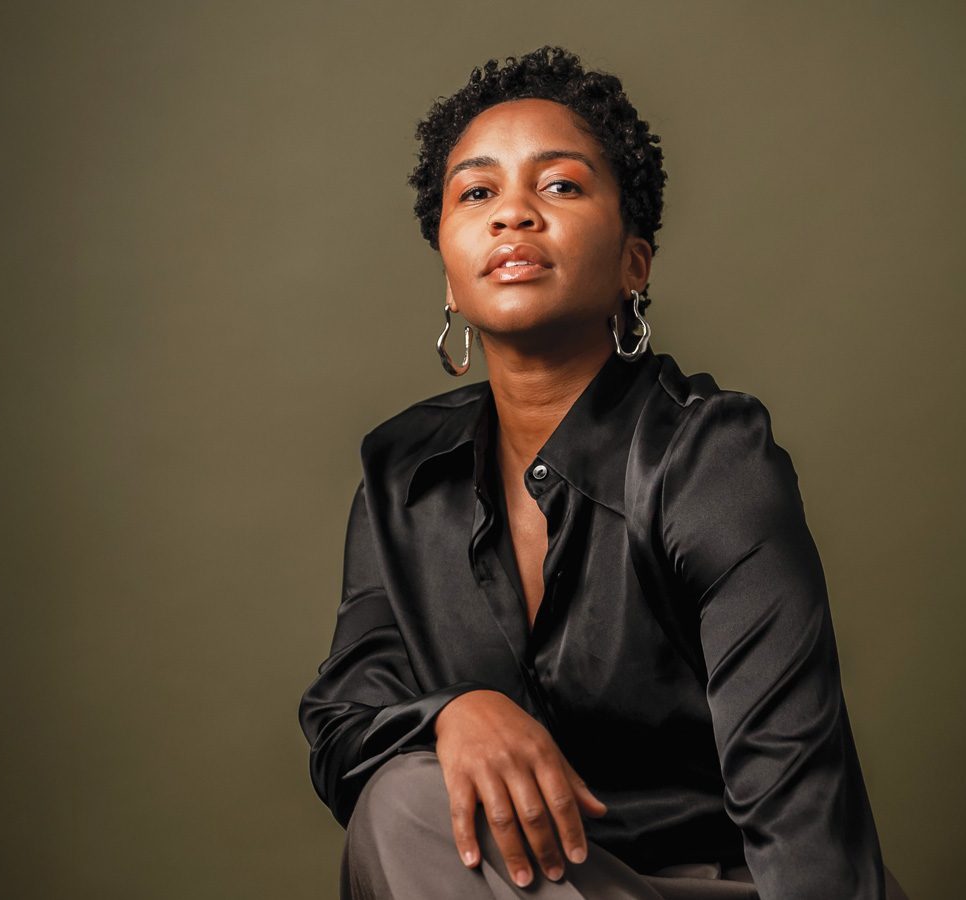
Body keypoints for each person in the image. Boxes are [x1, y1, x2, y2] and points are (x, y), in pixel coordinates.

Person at [299, 46, 901, 900]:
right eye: (477, 193)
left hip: (722, 887)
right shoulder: (402, 476)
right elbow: (342, 722)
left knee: (408, 803)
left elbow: (801, 806)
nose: (513, 215)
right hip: (520, 883)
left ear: (634, 264)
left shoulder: (711, 463)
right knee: (406, 800)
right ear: (447, 269)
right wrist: (453, 713)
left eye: (560, 186)